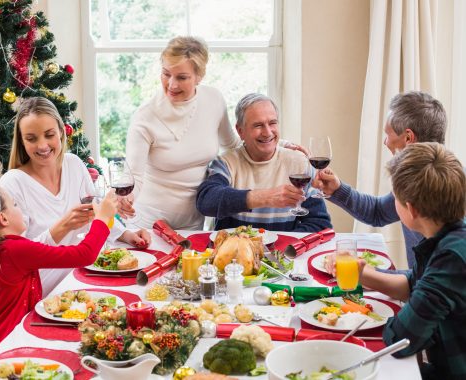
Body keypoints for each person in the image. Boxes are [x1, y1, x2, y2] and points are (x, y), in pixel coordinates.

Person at [126, 36, 304, 231]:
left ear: (199, 76)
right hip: (148, 221)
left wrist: (279, 145)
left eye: (182, 77)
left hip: (193, 222)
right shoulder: (145, 118)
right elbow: (134, 176)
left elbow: (234, 143)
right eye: (166, 74)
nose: (172, 84)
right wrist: (123, 198)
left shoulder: (213, 100)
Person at [337, 143, 465, 379]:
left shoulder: (452, 259)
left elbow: (401, 339)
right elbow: (414, 285)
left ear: (411, 209)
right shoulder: (446, 238)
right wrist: (364, 274)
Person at [0, 97, 151, 295]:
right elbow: (15, 257)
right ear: (21, 141)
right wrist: (62, 227)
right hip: (41, 290)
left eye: (49, 135)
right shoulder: (12, 183)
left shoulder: (73, 164)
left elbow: (96, 212)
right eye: (31, 138)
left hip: (82, 276)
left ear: (61, 132)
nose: (43, 145)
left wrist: (126, 234)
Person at [0, 182, 118, 355]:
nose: (19, 208)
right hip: (8, 350)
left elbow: (38, 248)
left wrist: (66, 224)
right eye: (15, 204)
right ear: (3, 218)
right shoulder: (15, 251)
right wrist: (103, 219)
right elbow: (85, 254)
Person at [314, 91, 447, 268]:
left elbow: (429, 283)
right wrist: (337, 190)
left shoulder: (443, 192)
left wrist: (360, 273)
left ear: (408, 138)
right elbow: (378, 212)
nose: (385, 142)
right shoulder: (418, 178)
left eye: (388, 134)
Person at [196, 93, 332, 232]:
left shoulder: (299, 163)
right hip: (236, 252)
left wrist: (281, 246)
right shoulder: (226, 162)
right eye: (258, 125)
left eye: (272, 123)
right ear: (240, 131)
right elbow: (206, 201)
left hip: (283, 252)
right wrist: (264, 197)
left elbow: (320, 224)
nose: (267, 132)